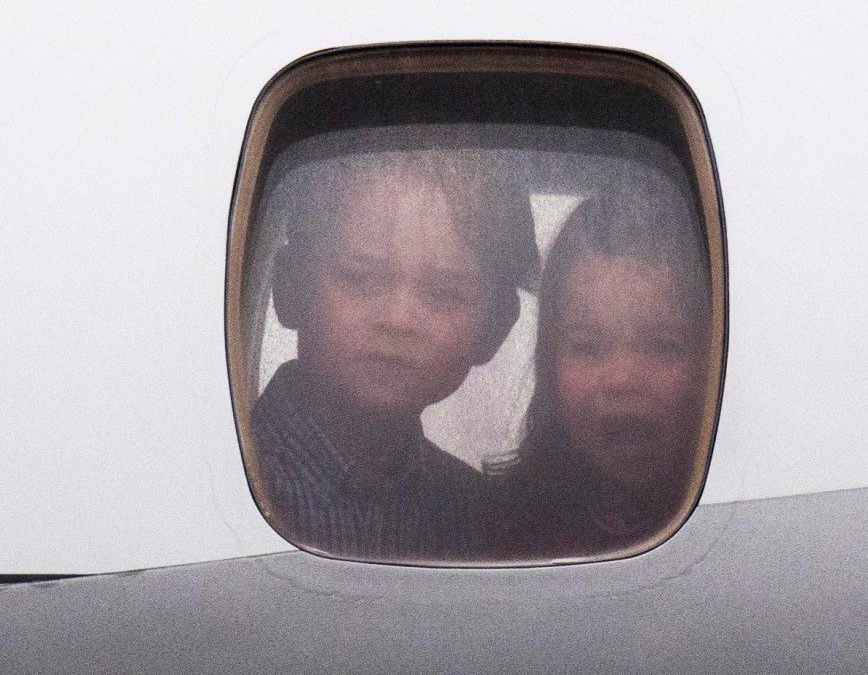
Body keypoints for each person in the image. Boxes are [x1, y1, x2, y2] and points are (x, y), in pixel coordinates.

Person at [252, 149, 538, 564]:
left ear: (495, 328)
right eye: (362, 278)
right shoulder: (208, 483)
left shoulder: (482, 521)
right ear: (290, 286)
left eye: (444, 293)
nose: (399, 320)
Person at [491, 193, 710, 561]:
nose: (622, 380)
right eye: (587, 347)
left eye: (662, 346)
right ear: (548, 362)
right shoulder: (496, 527)